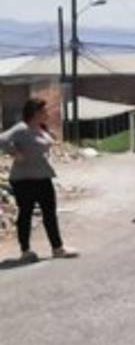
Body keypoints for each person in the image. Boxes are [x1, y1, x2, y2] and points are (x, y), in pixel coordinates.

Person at [0, 99, 78, 262]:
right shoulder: (22, 128)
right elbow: (2, 139)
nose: (47, 113)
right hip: (24, 179)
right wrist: (15, 153)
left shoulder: (41, 128)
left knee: (50, 213)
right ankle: (26, 251)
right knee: (25, 214)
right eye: (44, 111)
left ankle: (58, 248)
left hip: (43, 177)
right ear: (35, 112)